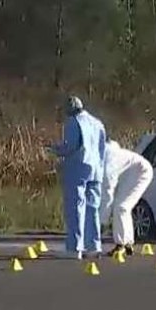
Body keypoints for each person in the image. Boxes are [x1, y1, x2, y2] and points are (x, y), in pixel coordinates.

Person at [47, 96, 107, 259]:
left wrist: (54, 149)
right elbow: (103, 148)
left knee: (75, 207)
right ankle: (94, 245)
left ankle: (75, 247)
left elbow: (71, 146)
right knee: (92, 208)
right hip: (96, 168)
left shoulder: (74, 122)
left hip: (79, 166)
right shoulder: (97, 123)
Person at [101, 140, 154, 257]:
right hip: (133, 172)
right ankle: (128, 243)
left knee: (121, 207)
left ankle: (121, 244)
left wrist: (102, 220)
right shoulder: (106, 153)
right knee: (123, 207)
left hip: (141, 172)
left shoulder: (108, 162)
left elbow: (107, 191)